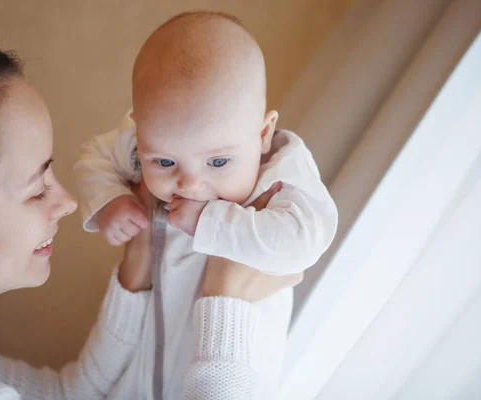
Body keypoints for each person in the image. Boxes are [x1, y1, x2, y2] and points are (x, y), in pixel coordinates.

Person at [0, 25, 301, 399]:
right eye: (37, 190)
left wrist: (136, 267)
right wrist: (227, 301)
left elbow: (72, 395)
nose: (68, 203)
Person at [74, 11, 338, 398]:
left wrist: (211, 222)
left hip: (235, 365)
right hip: (144, 369)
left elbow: (308, 237)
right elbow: (94, 156)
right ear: (139, 127)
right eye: (164, 162)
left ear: (262, 134)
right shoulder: (147, 138)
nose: (190, 184)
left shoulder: (283, 172)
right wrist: (111, 200)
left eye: (217, 162)